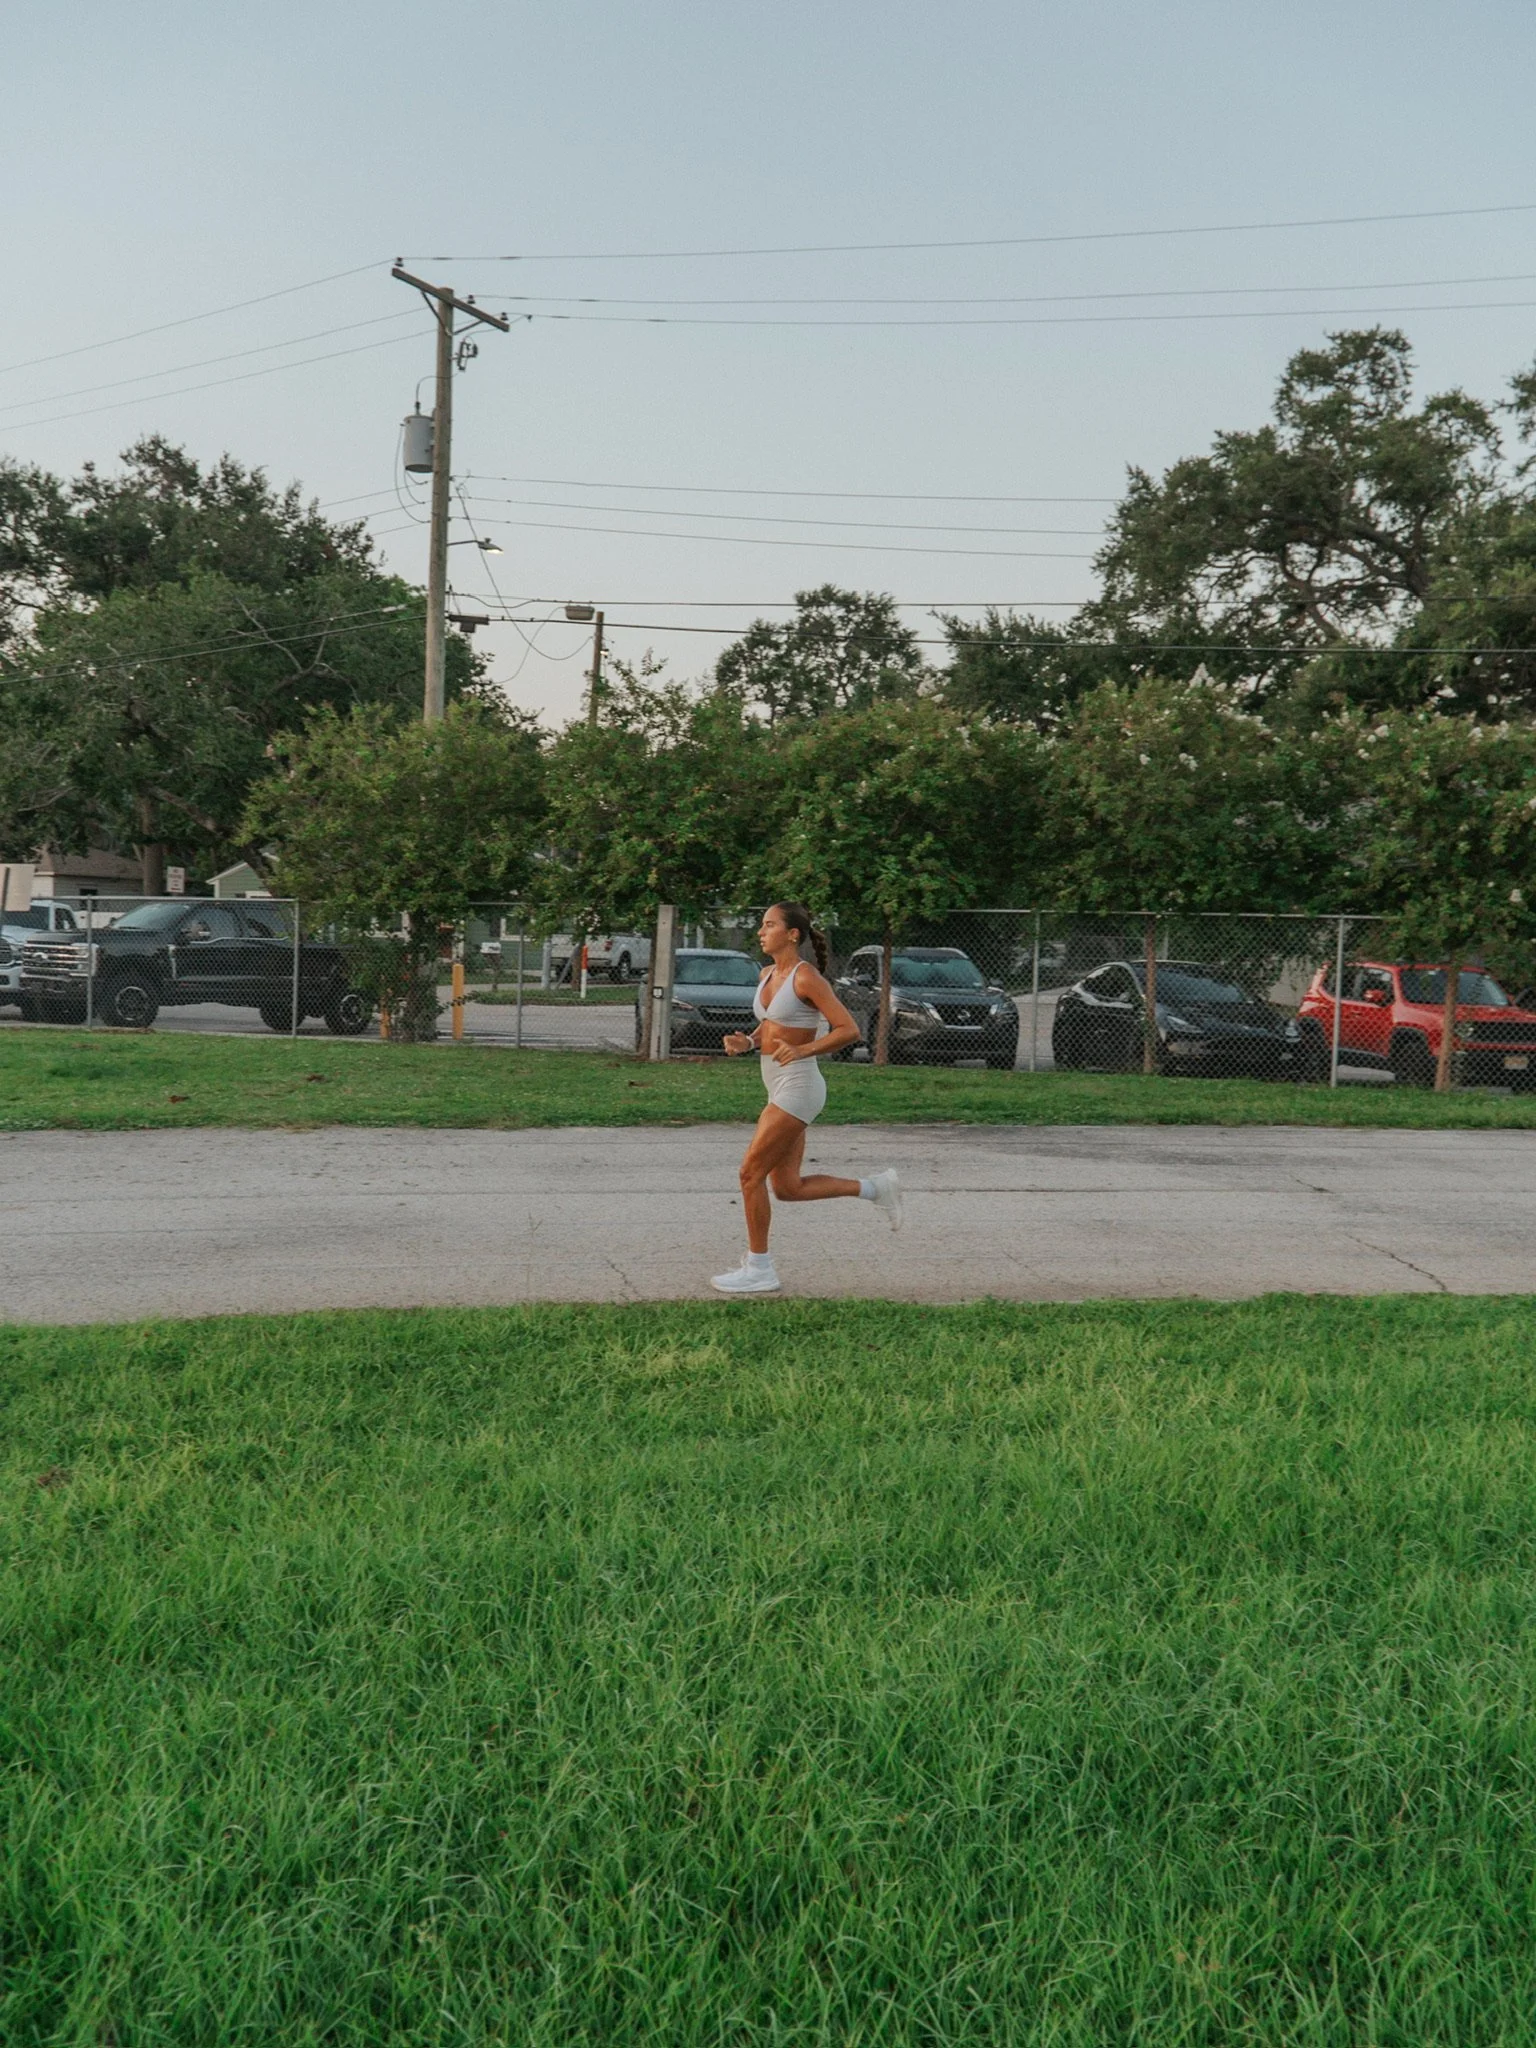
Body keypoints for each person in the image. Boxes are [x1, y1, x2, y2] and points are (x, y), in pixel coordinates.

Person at [711, 901, 901, 1295]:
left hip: (799, 1087)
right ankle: (876, 1188)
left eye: (769, 925)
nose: (761, 932)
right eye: (762, 925)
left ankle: (760, 1268)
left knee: (749, 1174)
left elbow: (848, 1029)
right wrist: (748, 1042)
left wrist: (803, 1050)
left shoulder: (807, 977)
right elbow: (771, 1026)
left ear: (792, 934)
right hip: (778, 1085)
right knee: (787, 1188)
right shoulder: (767, 974)